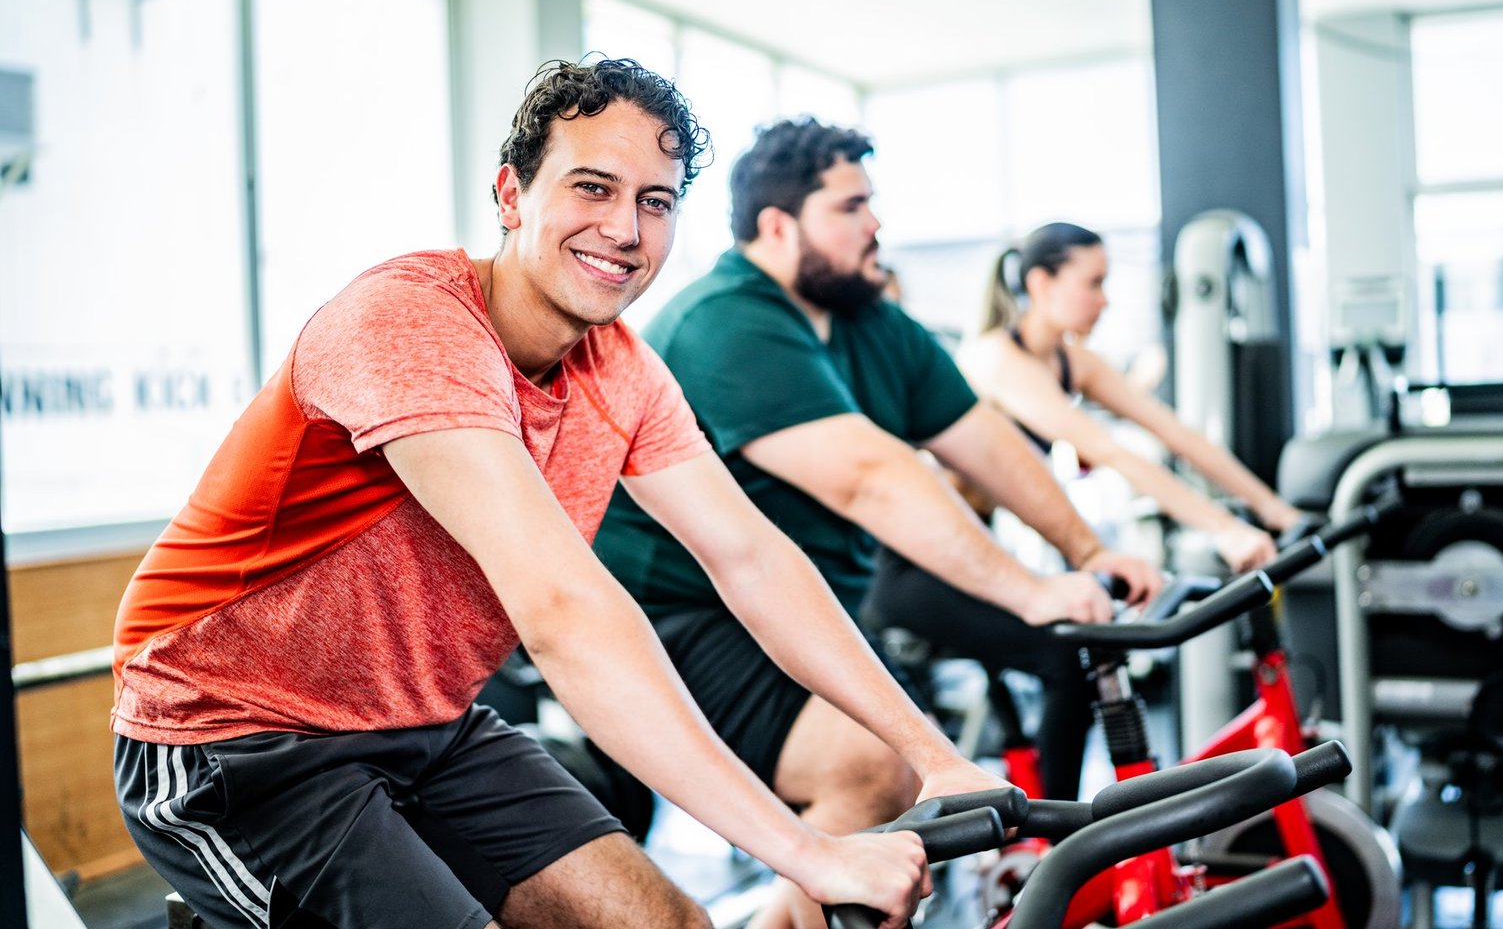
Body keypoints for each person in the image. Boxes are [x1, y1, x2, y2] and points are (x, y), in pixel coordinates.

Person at [110, 60, 998, 929]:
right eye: (592, 188)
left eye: (656, 202)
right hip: (234, 737)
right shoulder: (410, 322)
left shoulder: (624, 374)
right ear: (511, 196)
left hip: (428, 724)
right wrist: (808, 853)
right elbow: (564, 610)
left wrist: (934, 759)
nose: (624, 228)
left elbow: (753, 559)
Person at [593, 117, 1163, 929]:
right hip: (677, 614)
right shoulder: (728, 322)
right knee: (876, 767)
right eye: (852, 206)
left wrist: (1087, 548)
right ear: (779, 226)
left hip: (789, 606)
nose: (877, 224)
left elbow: (982, 443)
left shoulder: (866, 320)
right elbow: (872, 480)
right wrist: (1030, 591)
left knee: (883, 789)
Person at [954, 221, 1304, 571]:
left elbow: (1176, 432)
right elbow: (1107, 450)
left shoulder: (1073, 362)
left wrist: (1275, 509)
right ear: (1042, 285)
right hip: (944, 524)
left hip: (981, 525)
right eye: (1093, 284)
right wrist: (1224, 529)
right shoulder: (995, 357)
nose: (1104, 301)